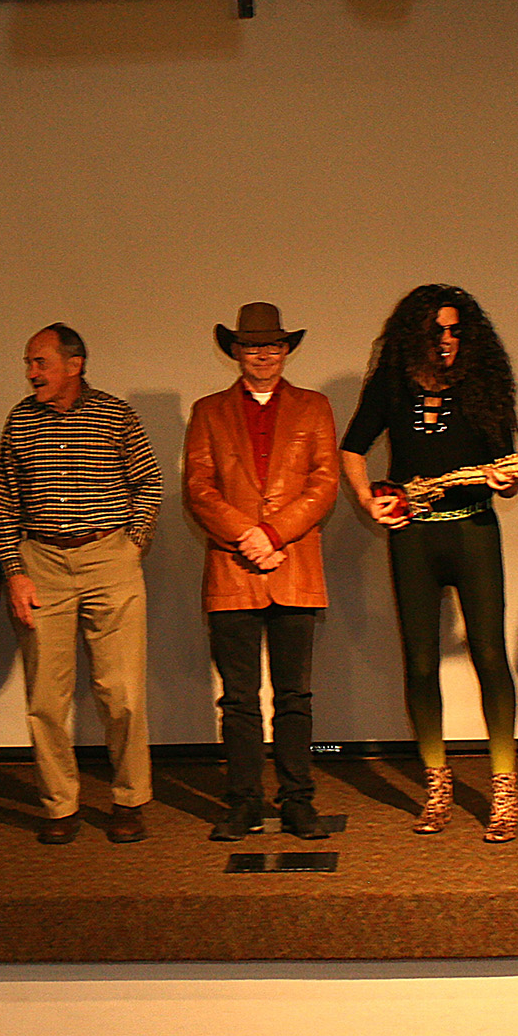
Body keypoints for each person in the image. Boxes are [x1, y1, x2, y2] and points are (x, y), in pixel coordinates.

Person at [341, 284, 518, 842]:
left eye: (455, 330)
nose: (447, 341)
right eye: (437, 331)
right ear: (415, 334)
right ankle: (437, 784)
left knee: (490, 654)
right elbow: (351, 449)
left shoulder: (483, 384)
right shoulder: (392, 384)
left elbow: (505, 475)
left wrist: (507, 480)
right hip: (414, 536)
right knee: (420, 662)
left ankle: (504, 787)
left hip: (473, 531)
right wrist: (372, 502)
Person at [0, 323, 163, 845]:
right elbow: (4, 501)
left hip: (108, 556)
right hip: (41, 561)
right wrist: (14, 571)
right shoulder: (19, 420)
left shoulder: (115, 413)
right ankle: (59, 805)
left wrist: (132, 543)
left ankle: (129, 800)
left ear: (75, 364)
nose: (31, 373)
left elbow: (149, 481)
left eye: (40, 362)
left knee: (123, 693)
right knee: (46, 695)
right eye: (28, 362)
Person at [184, 304, 340, 841]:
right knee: (239, 698)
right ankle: (244, 802)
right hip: (232, 571)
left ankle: (298, 801)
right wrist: (246, 536)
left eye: (273, 346)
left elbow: (325, 484)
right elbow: (198, 489)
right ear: (235, 351)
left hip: (293, 565)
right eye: (252, 346)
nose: (263, 355)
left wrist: (271, 535)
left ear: (287, 350)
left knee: (295, 696)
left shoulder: (315, 407)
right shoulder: (208, 411)